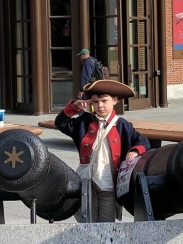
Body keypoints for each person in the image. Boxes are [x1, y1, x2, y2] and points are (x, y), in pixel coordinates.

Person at [55, 79, 151, 222]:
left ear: (115, 100)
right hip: (87, 181)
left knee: (107, 225)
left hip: (109, 183)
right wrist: (74, 106)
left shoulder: (122, 125)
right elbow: (60, 122)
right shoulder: (84, 122)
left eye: (104, 101)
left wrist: (135, 151)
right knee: (88, 222)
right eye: (95, 102)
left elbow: (143, 142)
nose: (100, 106)